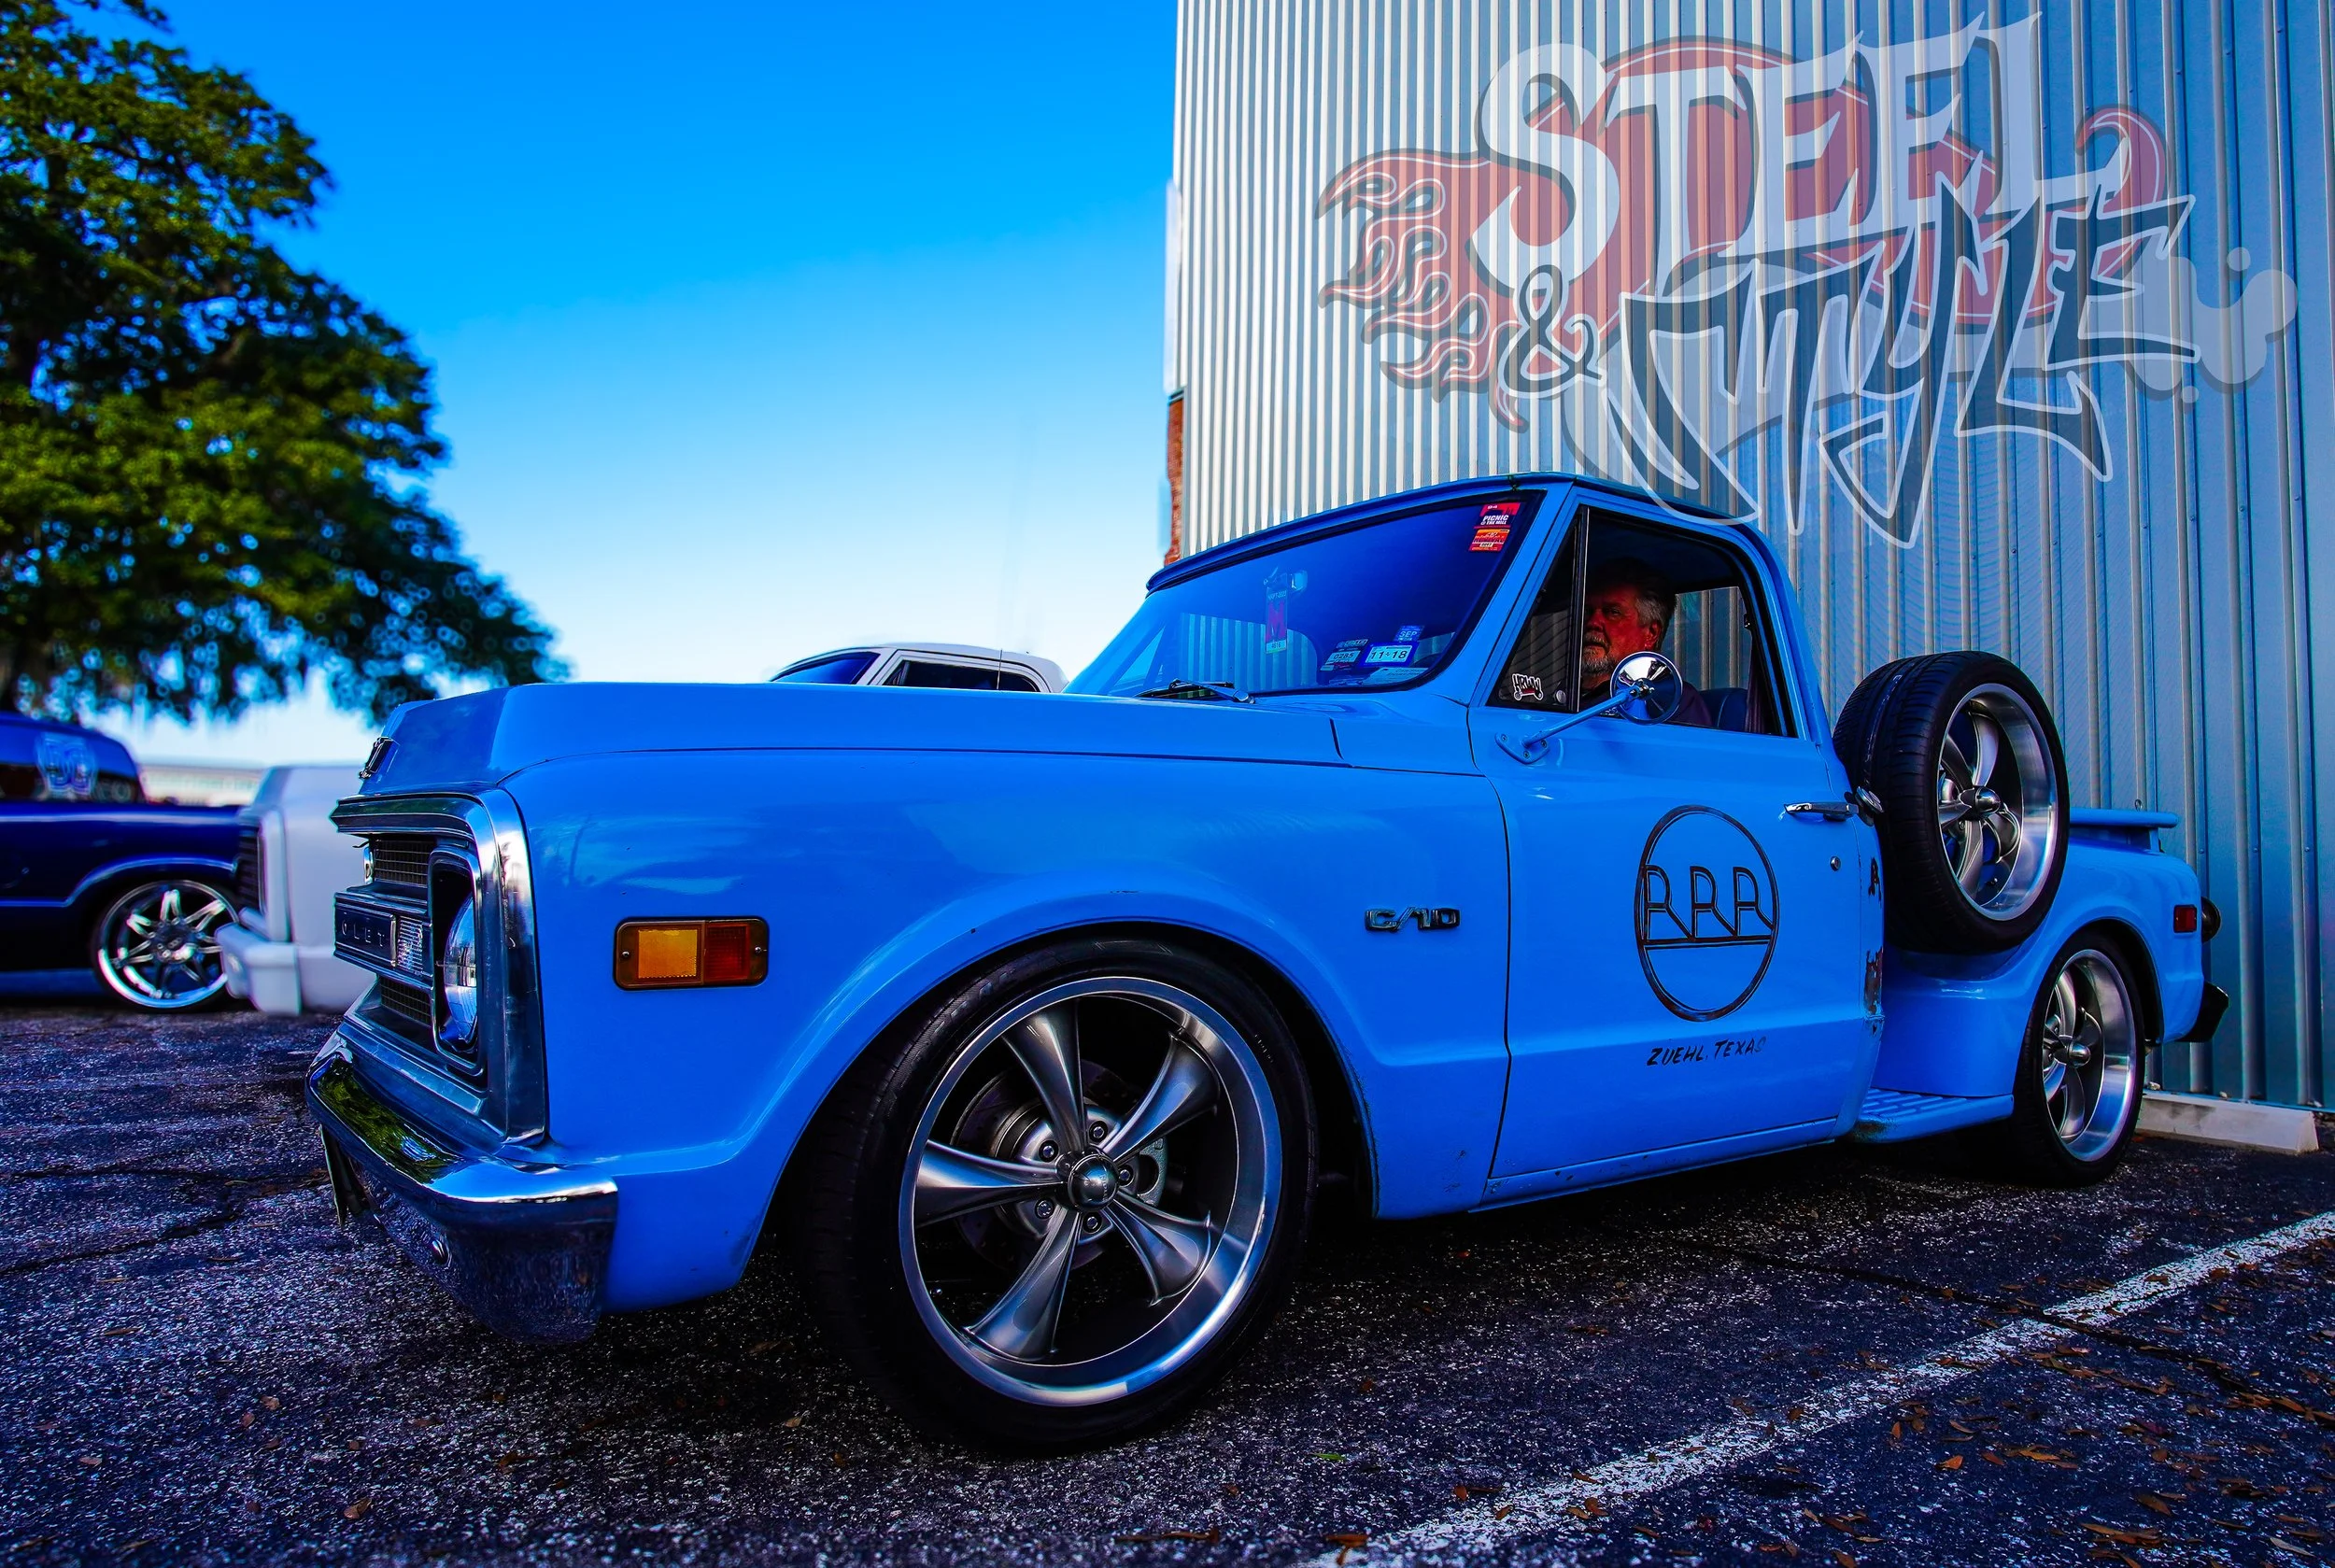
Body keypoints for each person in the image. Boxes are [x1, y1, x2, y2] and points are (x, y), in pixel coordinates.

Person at [1580, 556, 1711, 727]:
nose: (1592, 622)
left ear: (1651, 633)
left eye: (1612, 612)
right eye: (1589, 611)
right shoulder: (1559, 691)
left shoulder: (1672, 702)